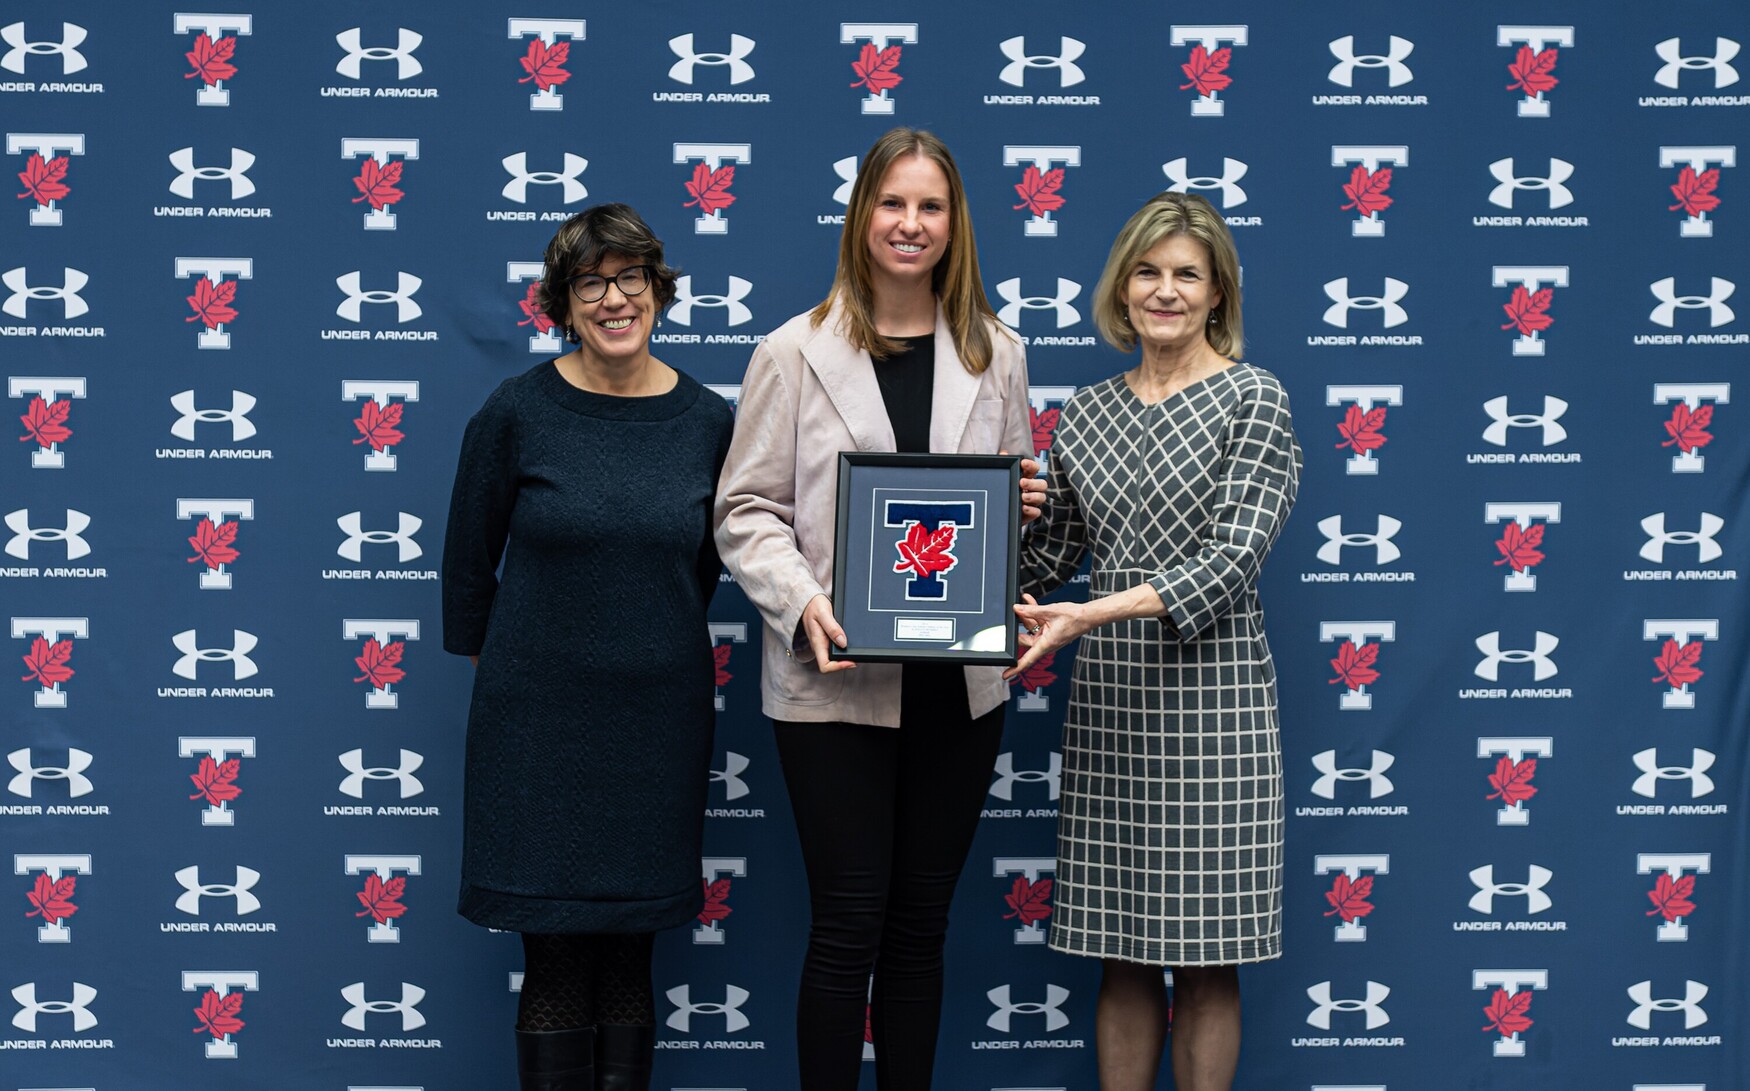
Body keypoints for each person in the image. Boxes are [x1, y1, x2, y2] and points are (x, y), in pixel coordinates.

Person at [714, 127, 1045, 1090]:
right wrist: (805, 600)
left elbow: (1003, 517)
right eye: (892, 204)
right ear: (863, 215)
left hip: (958, 684)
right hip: (836, 679)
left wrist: (1021, 506)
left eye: (931, 207)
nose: (910, 224)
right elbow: (744, 510)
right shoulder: (790, 350)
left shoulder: (999, 352)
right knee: (848, 922)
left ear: (955, 223)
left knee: (919, 927)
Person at [1005, 191, 1301, 1091]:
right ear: (1121, 286)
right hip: (1113, 713)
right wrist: (1011, 521)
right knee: (1120, 952)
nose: (1164, 290)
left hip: (1218, 712)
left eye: (1186, 275)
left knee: (1209, 958)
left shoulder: (1256, 398)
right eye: (1147, 270)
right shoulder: (1087, 413)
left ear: (1219, 294)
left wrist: (1090, 613)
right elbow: (1052, 560)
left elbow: (1229, 564)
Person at [441, 203, 733, 1091]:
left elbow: (710, 565)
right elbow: (465, 561)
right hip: (537, 730)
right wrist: (527, 665)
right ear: (563, 302)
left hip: (656, 727)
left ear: (659, 287)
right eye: (590, 282)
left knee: (632, 953)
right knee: (559, 957)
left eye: (630, 276)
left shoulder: (709, 422)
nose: (614, 298)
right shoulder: (518, 411)